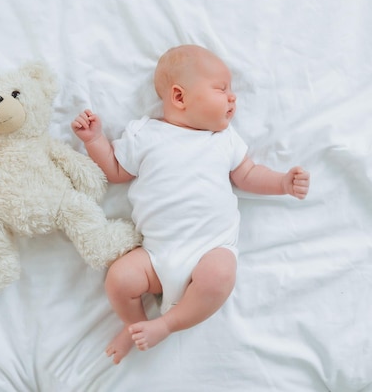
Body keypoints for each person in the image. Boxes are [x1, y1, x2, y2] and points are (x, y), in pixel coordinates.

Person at [71, 44, 310, 364]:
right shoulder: (145, 134)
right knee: (119, 278)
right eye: (221, 89)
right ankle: (134, 326)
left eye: (232, 91)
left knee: (222, 274)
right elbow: (115, 171)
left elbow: (249, 175)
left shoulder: (224, 140)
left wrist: (282, 182)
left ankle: (165, 324)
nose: (232, 98)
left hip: (210, 251)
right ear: (180, 97)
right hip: (155, 255)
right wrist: (95, 141)